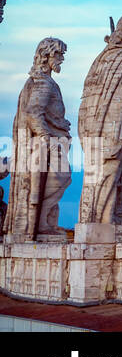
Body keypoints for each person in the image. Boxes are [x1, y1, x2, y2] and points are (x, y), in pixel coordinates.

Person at [78, 14, 122, 225]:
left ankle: (115, 215)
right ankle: (103, 222)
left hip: (93, 129)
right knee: (108, 173)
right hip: (112, 131)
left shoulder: (101, 59)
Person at [4, 37, 72, 239]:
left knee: (56, 180)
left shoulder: (44, 81)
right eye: (58, 55)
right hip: (48, 142)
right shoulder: (43, 83)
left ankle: (43, 223)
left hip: (52, 140)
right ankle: (42, 223)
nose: (61, 59)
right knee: (62, 177)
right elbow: (34, 111)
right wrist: (45, 137)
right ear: (46, 56)